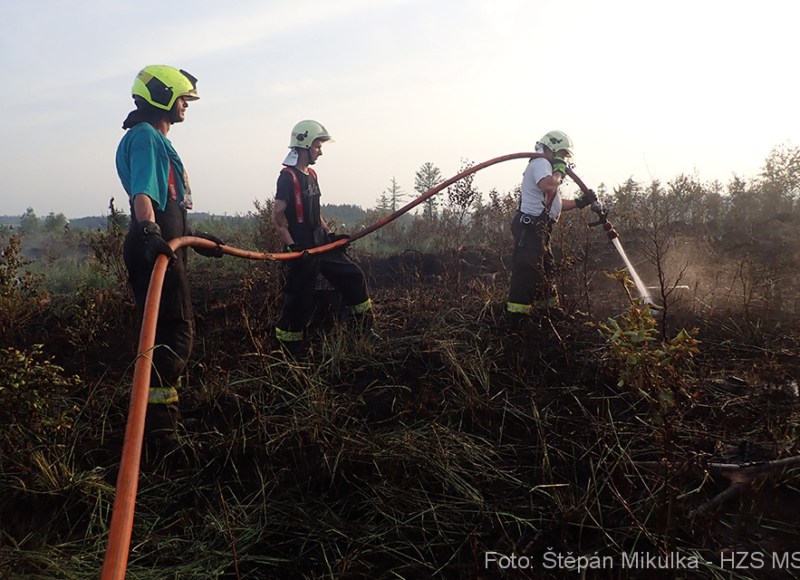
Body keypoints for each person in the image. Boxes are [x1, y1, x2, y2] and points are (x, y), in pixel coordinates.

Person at [116, 65, 224, 442]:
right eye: (182, 98)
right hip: (154, 248)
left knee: (165, 330)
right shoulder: (146, 137)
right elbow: (143, 195)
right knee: (174, 333)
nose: (186, 105)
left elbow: (167, 201)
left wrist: (192, 237)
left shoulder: (153, 139)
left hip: (163, 243)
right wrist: (149, 232)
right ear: (162, 97)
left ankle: (162, 419)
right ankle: (161, 433)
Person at [271, 120, 372, 353]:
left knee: (353, 276)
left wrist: (331, 236)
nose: (320, 152)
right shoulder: (287, 177)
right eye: (317, 146)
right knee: (298, 299)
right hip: (301, 245)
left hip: (320, 240)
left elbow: (316, 212)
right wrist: (292, 247)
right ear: (304, 145)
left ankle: (363, 331)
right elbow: (277, 218)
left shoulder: (312, 174)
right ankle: (288, 350)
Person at [506, 130, 596, 327]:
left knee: (546, 269)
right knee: (527, 269)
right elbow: (548, 186)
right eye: (562, 155)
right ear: (553, 149)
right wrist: (559, 172)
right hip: (529, 227)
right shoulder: (541, 163)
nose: (563, 160)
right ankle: (517, 317)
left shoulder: (546, 166)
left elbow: (554, 202)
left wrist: (580, 202)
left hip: (540, 227)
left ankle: (547, 310)